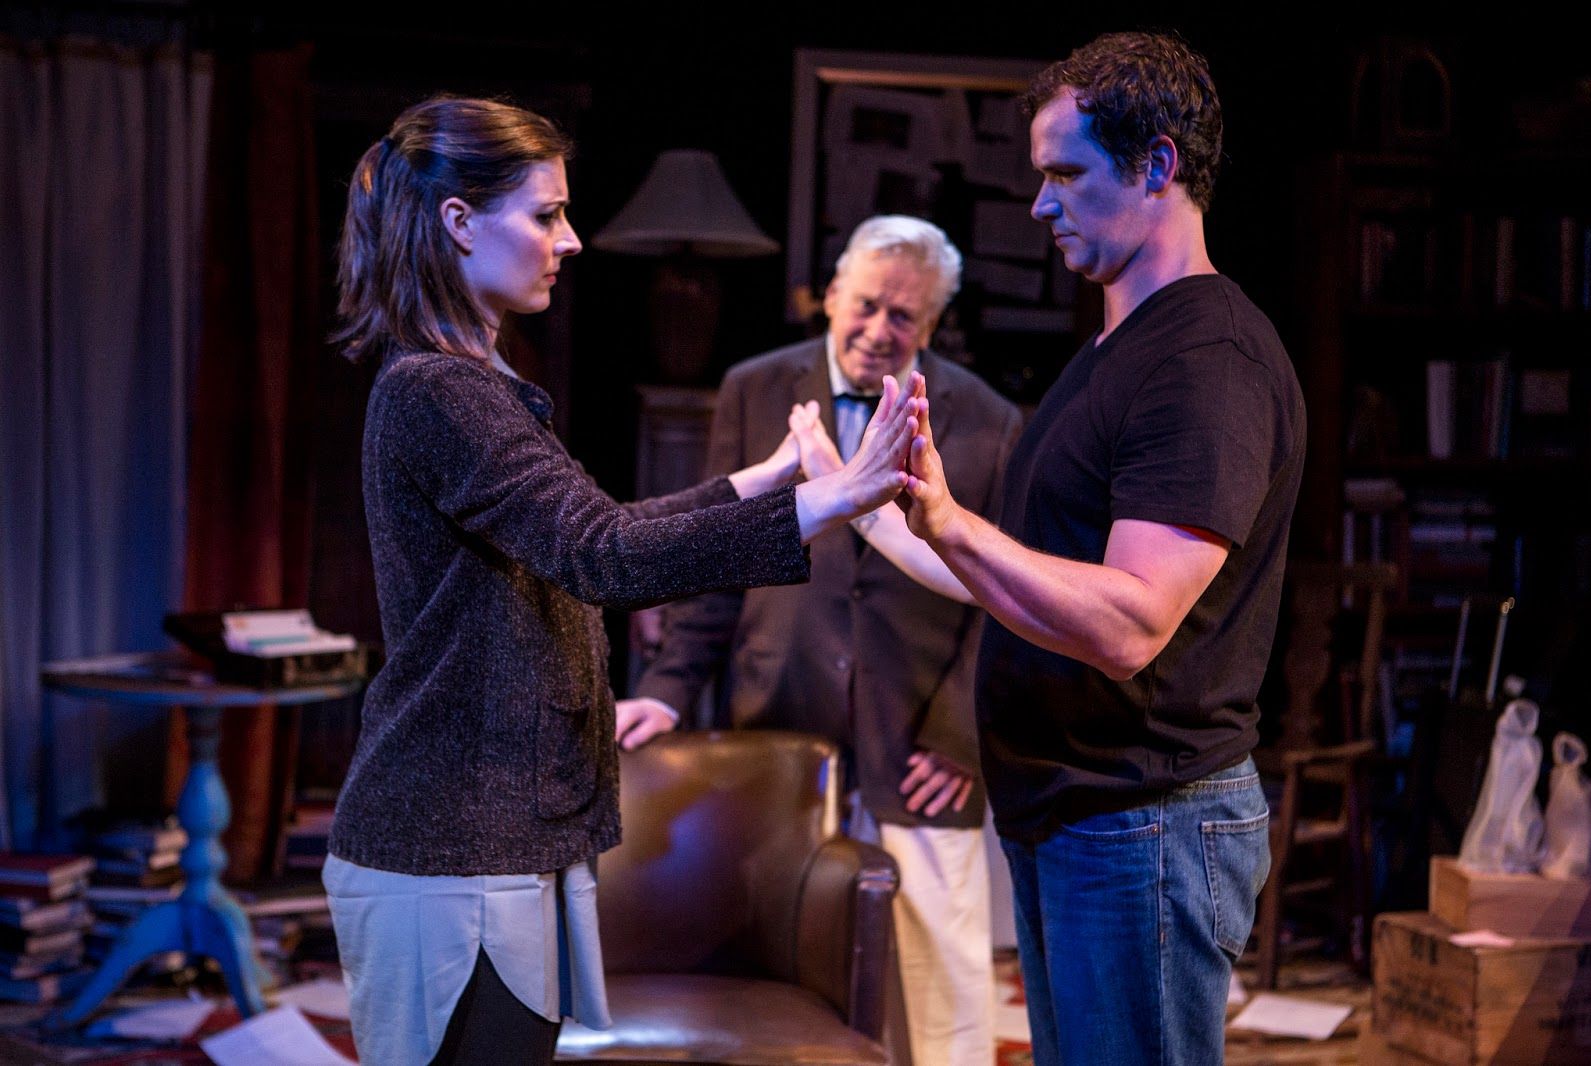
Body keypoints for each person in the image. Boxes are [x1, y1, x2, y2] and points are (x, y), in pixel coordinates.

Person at [321, 96, 921, 1066]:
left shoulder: (468, 380)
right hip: (452, 843)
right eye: (546, 214)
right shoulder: (441, 388)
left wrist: (761, 480)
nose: (570, 239)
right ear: (459, 222)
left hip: (487, 838)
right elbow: (604, 554)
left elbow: (596, 532)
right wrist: (831, 499)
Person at [893, 33, 1307, 1066]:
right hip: (1085, 818)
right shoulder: (1118, 348)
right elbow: (1020, 575)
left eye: (1067, 175)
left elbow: (1131, 621)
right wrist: (872, 504)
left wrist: (954, 523)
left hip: (1144, 823)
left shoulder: (1206, 359)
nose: (1041, 204)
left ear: (1157, 164)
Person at [618, 215, 1021, 1066]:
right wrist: (665, 691)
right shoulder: (755, 388)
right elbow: (718, 561)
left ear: (932, 323)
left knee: (937, 987)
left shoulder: (990, 418)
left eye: (903, 316)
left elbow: (1002, 592)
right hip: (781, 721)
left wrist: (960, 736)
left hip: (919, 740)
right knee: (785, 971)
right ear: (831, 294)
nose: (878, 329)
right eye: (866, 304)